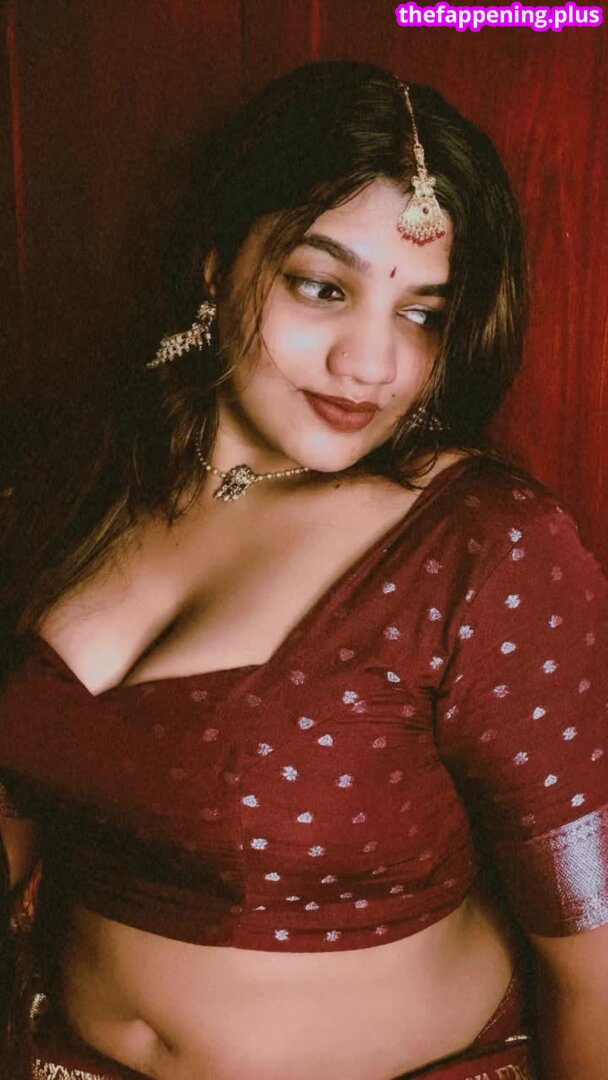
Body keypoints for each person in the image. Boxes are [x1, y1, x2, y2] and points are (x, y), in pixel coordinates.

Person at [0, 59, 606, 1080]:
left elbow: (596, 963)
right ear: (215, 263)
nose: (371, 365)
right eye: (322, 288)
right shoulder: (82, 483)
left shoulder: (481, 546)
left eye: (422, 312)